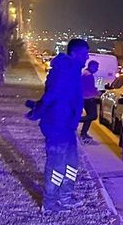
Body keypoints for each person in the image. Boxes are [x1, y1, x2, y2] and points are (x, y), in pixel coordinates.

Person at [26, 38, 90, 213]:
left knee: (71, 164)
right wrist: (37, 111)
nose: (87, 57)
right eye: (85, 54)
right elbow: (51, 95)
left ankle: (65, 197)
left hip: (67, 125)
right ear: (75, 53)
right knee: (57, 165)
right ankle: (50, 203)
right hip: (57, 124)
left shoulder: (74, 70)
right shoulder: (64, 70)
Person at [78, 60, 100, 143]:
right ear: (91, 66)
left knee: (90, 116)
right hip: (88, 98)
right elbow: (88, 88)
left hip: (86, 97)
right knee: (93, 115)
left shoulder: (85, 73)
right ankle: (77, 120)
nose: (97, 69)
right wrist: (96, 93)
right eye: (96, 67)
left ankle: (84, 133)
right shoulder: (88, 75)